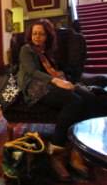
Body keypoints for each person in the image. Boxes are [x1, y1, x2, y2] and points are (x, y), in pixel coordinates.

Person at [17, 19, 107, 181]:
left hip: (51, 84)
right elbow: (31, 71)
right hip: (35, 87)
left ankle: (77, 148)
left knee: (88, 98)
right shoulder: (26, 49)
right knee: (75, 101)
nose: (37, 37)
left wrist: (68, 81)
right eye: (34, 33)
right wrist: (56, 81)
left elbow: (57, 70)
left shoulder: (46, 51)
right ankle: (56, 151)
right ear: (30, 35)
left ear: (47, 36)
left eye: (41, 34)